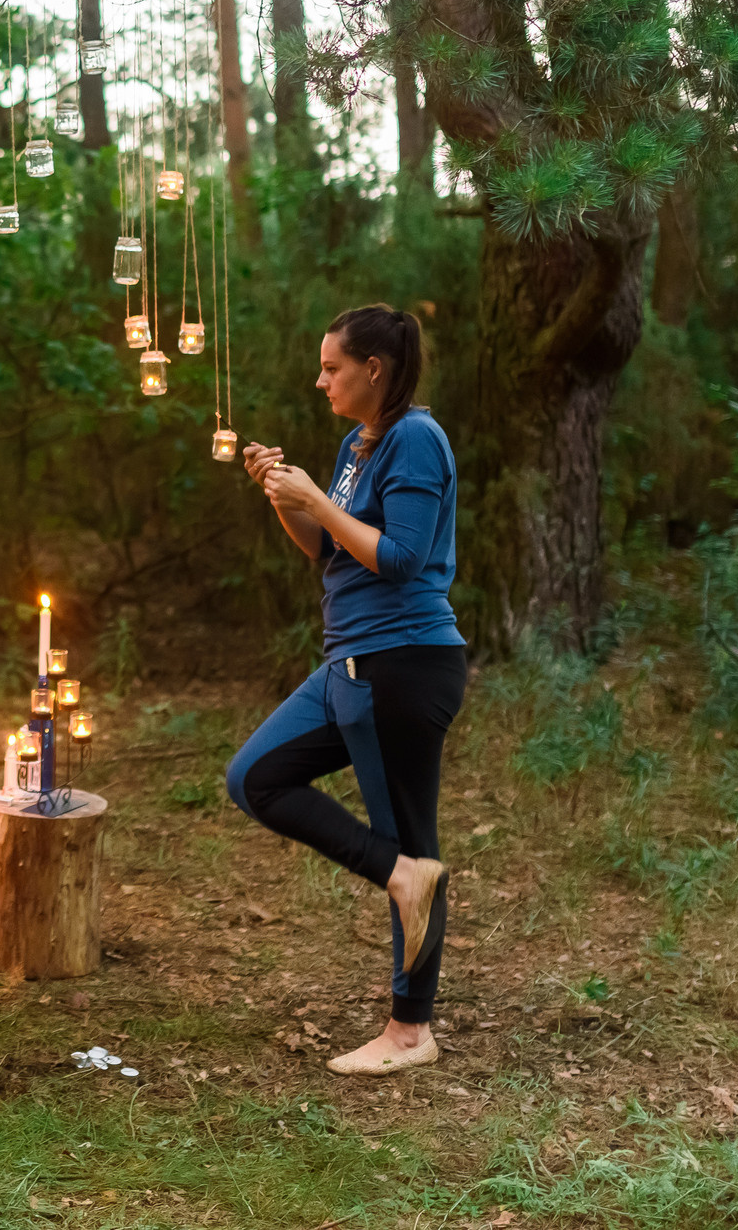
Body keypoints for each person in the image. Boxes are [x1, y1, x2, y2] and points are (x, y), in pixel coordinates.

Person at [224, 304, 465, 1078]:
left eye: (332, 367)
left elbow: (399, 558)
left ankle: (409, 1029)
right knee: (255, 776)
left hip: (403, 663)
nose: (320, 378)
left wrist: (319, 500)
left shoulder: (416, 440)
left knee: (413, 842)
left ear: (376, 370)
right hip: (347, 663)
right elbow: (332, 552)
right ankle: (396, 873)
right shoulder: (354, 445)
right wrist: (286, 499)